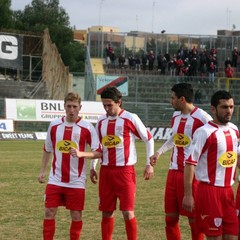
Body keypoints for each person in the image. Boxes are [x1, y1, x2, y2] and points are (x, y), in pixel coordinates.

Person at [90, 86, 154, 240]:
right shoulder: (101, 120)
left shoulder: (130, 118)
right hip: (106, 172)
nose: (106, 108)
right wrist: (93, 167)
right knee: (106, 211)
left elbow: (148, 138)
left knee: (127, 212)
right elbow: (99, 146)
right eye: (104, 105)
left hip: (125, 172)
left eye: (109, 105)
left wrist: (149, 164)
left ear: (119, 102)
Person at [150, 83, 212, 240]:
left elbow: (215, 141)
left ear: (182, 99)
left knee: (194, 220)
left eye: (173, 98)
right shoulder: (176, 116)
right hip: (173, 173)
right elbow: (175, 138)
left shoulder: (203, 118)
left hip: (192, 176)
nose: (171, 101)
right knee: (170, 218)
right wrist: (159, 152)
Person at [38, 92, 102, 240]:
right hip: (55, 179)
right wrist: (42, 171)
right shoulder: (54, 125)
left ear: (80, 107)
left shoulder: (87, 128)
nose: (71, 110)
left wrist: (83, 155)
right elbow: (47, 149)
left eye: (74, 106)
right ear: (64, 106)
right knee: (49, 212)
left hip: (76, 181)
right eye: (69, 106)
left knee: (76, 215)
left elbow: (98, 152)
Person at [183, 90, 239, 240]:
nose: (229, 111)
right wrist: (188, 195)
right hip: (209, 192)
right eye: (224, 107)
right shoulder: (204, 132)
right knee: (215, 237)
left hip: (228, 192)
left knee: (232, 236)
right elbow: (189, 163)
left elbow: (235, 157)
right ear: (213, 109)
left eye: (232, 107)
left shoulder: (234, 130)